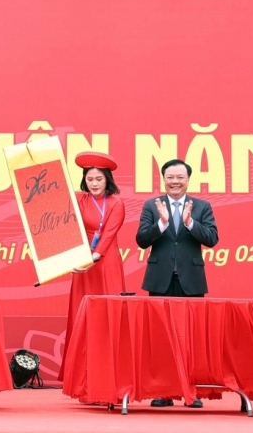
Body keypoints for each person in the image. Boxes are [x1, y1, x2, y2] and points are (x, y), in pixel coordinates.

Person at [137, 158, 219, 409]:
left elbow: (212, 238)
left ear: (187, 180)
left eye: (180, 177)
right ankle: (164, 391)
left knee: (190, 338)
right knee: (162, 337)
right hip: (160, 280)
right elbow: (141, 240)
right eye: (170, 177)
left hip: (190, 280)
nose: (175, 181)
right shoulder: (152, 205)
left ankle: (190, 392)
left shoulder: (201, 207)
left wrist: (189, 223)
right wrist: (161, 223)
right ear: (164, 179)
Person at [57, 152, 125, 383]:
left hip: (105, 263)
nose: (94, 183)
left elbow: (108, 236)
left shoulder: (117, 203)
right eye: (90, 179)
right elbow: (57, 217)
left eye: (99, 179)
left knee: (108, 317)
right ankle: (80, 378)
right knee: (81, 316)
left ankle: (109, 376)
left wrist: (92, 258)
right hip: (81, 262)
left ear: (107, 180)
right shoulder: (78, 199)